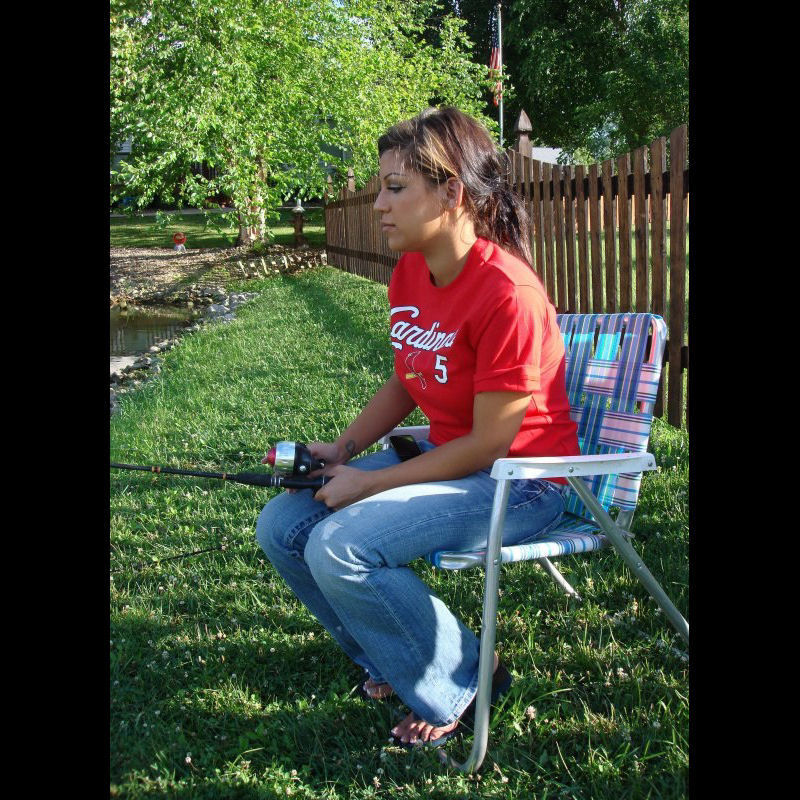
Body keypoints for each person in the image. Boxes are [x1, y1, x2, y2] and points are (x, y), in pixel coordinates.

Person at [256, 106, 580, 747]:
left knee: (340, 545)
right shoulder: (411, 271)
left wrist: (369, 484)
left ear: (451, 192)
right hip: (450, 456)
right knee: (283, 524)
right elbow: (408, 378)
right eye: (381, 187)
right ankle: (390, 658)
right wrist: (343, 450)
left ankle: (465, 678)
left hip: (523, 480)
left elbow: (490, 444)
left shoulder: (507, 293)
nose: (379, 203)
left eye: (395, 187)